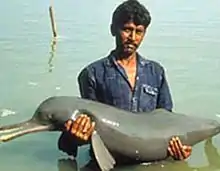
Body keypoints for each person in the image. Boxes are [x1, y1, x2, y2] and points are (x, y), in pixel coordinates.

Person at [58, 0, 192, 161]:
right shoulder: (92, 74)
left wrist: (180, 150)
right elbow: (87, 126)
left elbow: (167, 121)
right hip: (109, 162)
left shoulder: (156, 72)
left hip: (151, 161)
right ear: (113, 29)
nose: (132, 37)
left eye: (139, 31)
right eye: (127, 29)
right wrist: (77, 136)